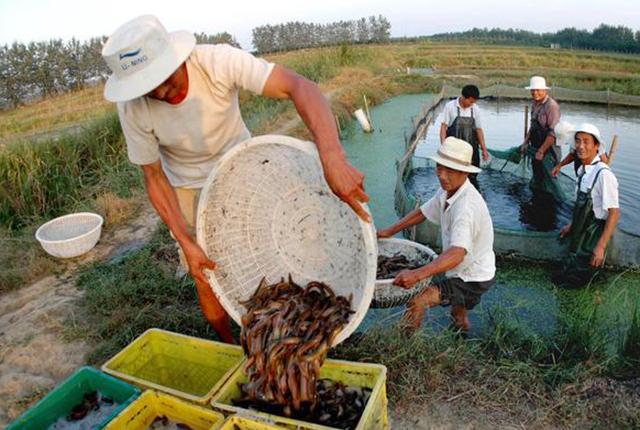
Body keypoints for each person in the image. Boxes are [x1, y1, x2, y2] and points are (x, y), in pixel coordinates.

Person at [101, 15, 370, 343]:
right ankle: (231, 346)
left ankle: (280, 333)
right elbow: (153, 177)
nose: (158, 90)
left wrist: (332, 157)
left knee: (265, 245)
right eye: (147, 87)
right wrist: (185, 240)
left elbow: (301, 87)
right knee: (204, 272)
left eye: (164, 78)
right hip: (186, 184)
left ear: (176, 57)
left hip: (244, 168)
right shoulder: (132, 108)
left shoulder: (216, 62)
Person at [377, 137, 495, 333]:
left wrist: (416, 274)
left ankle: (404, 346)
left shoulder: (466, 207)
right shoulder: (448, 190)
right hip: (463, 268)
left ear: (465, 172)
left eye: (449, 170)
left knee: (418, 299)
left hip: (473, 276)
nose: (441, 175)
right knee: (458, 314)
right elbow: (423, 211)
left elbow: (457, 253)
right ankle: (461, 334)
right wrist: (390, 230)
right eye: (439, 167)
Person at [554, 124, 620, 288]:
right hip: (579, 230)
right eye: (577, 141)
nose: (580, 146)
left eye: (586, 142)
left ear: (596, 146)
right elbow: (581, 206)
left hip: (593, 234)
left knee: (583, 283)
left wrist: (600, 246)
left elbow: (614, 213)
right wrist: (571, 224)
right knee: (565, 278)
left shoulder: (604, 174)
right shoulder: (583, 170)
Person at [439, 85, 489, 189]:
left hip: (471, 150)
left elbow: (479, 129)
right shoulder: (450, 106)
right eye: (470, 101)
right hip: (453, 150)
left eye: (473, 102)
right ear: (463, 97)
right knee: (453, 176)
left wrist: (484, 149)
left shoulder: (475, 109)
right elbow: (444, 127)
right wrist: (443, 145)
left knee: (472, 176)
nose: (472, 104)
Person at [519, 76, 562, 196]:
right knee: (537, 178)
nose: (535, 93)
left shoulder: (552, 106)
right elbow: (533, 127)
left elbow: (553, 133)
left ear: (545, 91)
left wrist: (542, 151)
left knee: (549, 181)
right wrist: (525, 142)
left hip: (549, 151)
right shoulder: (534, 103)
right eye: (533, 90)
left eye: (538, 90)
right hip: (536, 147)